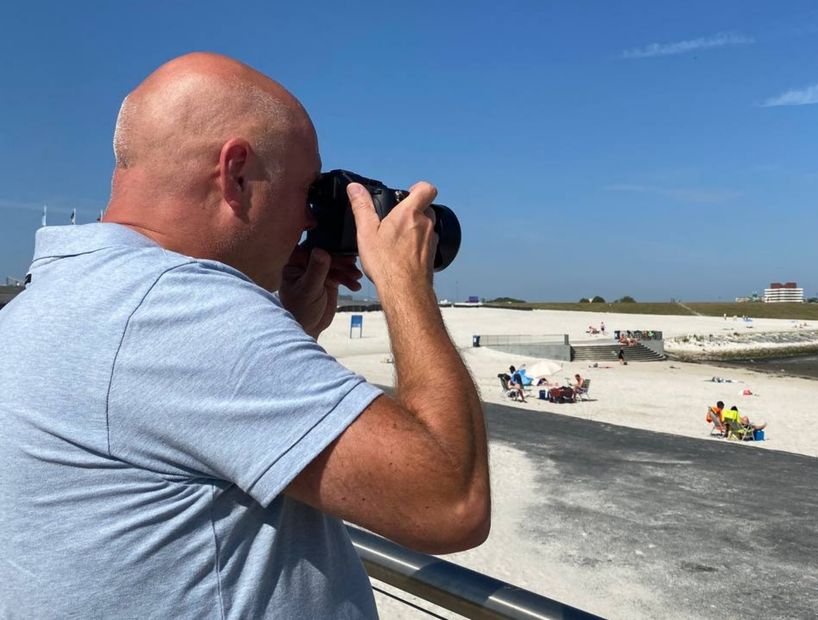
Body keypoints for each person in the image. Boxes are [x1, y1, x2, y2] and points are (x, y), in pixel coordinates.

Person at [0, 53, 490, 618]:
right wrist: (407, 284)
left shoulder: (51, 296)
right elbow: (451, 500)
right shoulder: (181, 309)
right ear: (236, 173)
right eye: (306, 192)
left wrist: (289, 327)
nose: (309, 220)